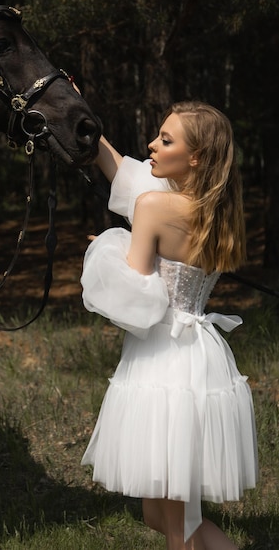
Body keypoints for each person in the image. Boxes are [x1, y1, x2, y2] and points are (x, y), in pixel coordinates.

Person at [80, 101, 258, 550]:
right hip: (200, 355)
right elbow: (130, 173)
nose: (151, 146)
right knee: (158, 514)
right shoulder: (215, 209)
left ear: (194, 157)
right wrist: (93, 131)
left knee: (176, 527)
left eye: (165, 140)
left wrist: (106, 249)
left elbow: (138, 298)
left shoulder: (155, 206)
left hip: (165, 360)